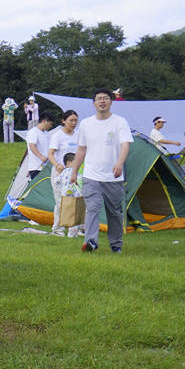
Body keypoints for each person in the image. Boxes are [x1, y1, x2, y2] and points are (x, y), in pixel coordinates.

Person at [67, 88, 131, 253]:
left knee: (114, 213)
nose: (102, 101)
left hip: (113, 177)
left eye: (105, 98)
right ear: (94, 103)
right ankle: (91, 242)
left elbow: (126, 144)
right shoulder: (86, 124)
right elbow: (81, 150)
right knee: (92, 208)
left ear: (111, 101)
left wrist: (119, 163)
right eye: (99, 98)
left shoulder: (120, 122)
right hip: (91, 175)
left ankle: (116, 244)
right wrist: (74, 171)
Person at [46, 111, 80, 233]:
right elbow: (50, 154)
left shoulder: (78, 135)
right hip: (60, 173)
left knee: (76, 201)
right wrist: (57, 165)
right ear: (63, 121)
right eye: (71, 120)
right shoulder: (58, 136)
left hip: (75, 173)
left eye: (75, 120)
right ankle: (58, 229)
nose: (73, 123)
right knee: (61, 201)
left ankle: (76, 229)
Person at [51, 152, 84, 237]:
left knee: (66, 215)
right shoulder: (75, 172)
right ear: (69, 162)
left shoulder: (63, 172)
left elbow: (56, 181)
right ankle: (72, 234)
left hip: (65, 198)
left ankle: (60, 229)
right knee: (75, 216)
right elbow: (81, 182)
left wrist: (59, 172)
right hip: (76, 197)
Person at [22, 113, 57, 179]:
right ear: (44, 121)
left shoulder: (47, 134)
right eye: (50, 124)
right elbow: (32, 146)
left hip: (46, 167)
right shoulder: (33, 132)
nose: (50, 126)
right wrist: (42, 157)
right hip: (36, 167)